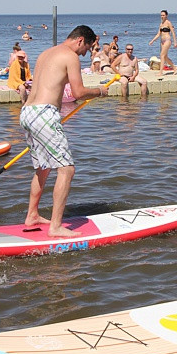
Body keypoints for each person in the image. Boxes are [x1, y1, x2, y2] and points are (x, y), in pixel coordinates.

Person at [19, 25, 109, 238]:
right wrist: (99, 92)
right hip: (44, 114)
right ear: (80, 41)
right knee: (66, 169)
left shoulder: (46, 53)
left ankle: (32, 215)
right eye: (87, 48)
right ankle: (56, 227)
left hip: (27, 112)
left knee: (43, 167)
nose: (86, 53)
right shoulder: (70, 56)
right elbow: (78, 92)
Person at [148, 9, 177, 76]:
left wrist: (175, 42)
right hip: (162, 41)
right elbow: (158, 34)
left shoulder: (168, 22)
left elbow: (173, 33)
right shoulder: (161, 24)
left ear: (166, 15)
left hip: (167, 40)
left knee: (162, 55)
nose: (162, 16)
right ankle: (174, 67)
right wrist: (152, 41)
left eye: (163, 15)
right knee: (165, 57)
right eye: (161, 15)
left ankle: (161, 72)